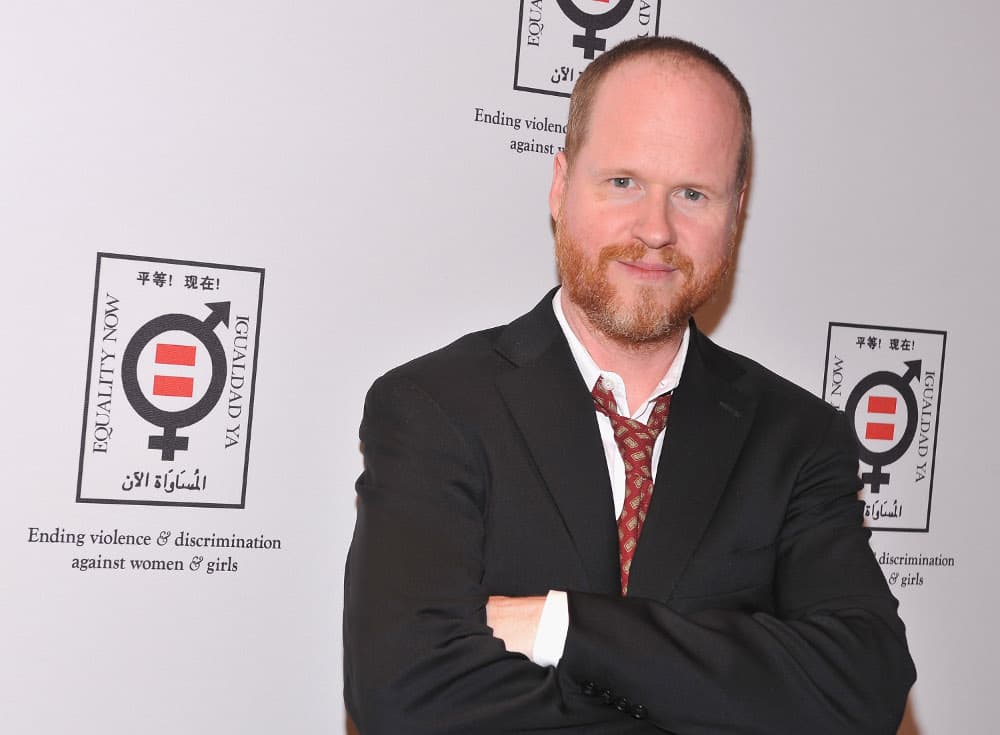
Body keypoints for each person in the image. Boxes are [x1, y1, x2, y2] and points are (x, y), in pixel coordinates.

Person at [344, 36, 915, 734]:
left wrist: (562, 626)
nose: (655, 229)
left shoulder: (797, 440)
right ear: (560, 185)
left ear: (735, 212)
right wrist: (727, 695)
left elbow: (863, 689)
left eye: (692, 194)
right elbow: (406, 698)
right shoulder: (435, 408)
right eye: (623, 182)